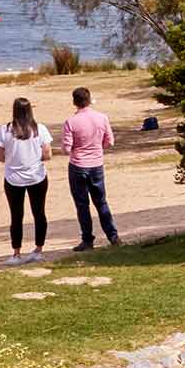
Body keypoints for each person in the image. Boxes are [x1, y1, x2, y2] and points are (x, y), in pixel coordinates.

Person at [0, 97, 53, 265]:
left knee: (16, 215)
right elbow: (47, 154)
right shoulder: (40, 129)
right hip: (37, 176)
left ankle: (16, 253)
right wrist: (32, 159)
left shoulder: (5, 130)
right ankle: (39, 250)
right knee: (39, 213)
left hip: (13, 178)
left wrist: (14, 160)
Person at [60, 85, 119, 251]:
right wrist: (97, 147)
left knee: (82, 205)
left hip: (78, 165)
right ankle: (113, 236)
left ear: (74, 102)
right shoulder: (102, 117)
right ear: (89, 100)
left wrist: (75, 149)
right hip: (96, 164)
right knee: (101, 202)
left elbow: (66, 148)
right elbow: (110, 142)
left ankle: (87, 239)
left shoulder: (71, 121)